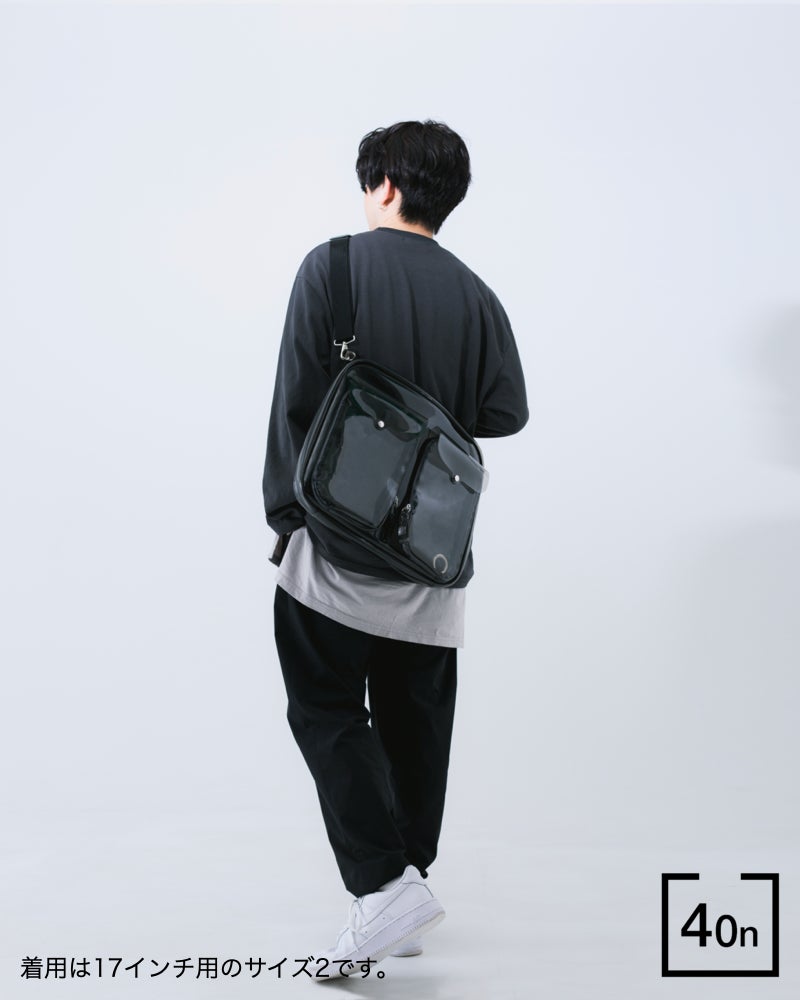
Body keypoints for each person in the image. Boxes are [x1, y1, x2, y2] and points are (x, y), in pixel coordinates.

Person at [262, 120, 528, 977]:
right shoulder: (477, 295)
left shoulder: (333, 267)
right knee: (416, 725)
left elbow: (296, 399)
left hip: (336, 546)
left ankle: (381, 888)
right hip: (431, 555)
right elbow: (504, 414)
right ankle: (407, 884)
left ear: (384, 186)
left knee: (327, 709)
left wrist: (286, 516)